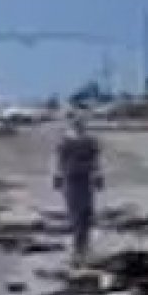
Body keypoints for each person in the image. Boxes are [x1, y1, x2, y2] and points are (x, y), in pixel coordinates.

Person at [53, 110, 103, 266]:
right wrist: (58, 176)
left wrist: (98, 175)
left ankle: (82, 248)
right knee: (79, 215)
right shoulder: (69, 142)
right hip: (74, 180)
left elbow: (95, 161)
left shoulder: (86, 142)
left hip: (81, 180)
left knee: (84, 214)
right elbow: (60, 162)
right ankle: (79, 248)